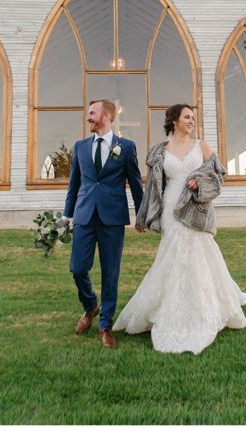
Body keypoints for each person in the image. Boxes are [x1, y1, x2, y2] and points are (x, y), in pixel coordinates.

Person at [112, 103, 246, 354]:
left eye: (193, 117)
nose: (191, 121)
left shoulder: (201, 146)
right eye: (186, 117)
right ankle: (167, 306)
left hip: (195, 208)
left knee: (200, 253)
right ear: (173, 120)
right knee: (173, 256)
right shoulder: (159, 150)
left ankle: (204, 307)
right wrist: (142, 216)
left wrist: (198, 182)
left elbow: (217, 175)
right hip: (171, 208)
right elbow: (152, 187)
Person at [63, 98, 144, 348]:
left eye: (92, 113)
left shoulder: (126, 147)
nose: (88, 117)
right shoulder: (80, 147)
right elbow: (74, 183)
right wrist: (67, 215)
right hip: (84, 215)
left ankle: (105, 325)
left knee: (111, 273)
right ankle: (90, 307)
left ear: (107, 116)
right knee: (78, 268)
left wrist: (141, 215)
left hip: (112, 218)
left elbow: (136, 183)